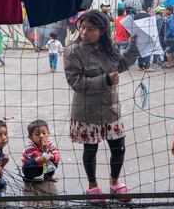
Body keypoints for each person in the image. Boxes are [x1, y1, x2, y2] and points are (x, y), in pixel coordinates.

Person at [64, 10, 139, 202]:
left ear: (102, 31)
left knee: (119, 148)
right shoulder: (73, 51)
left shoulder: (109, 46)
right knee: (90, 150)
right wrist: (104, 79)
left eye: (90, 29)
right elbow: (76, 82)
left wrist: (133, 46)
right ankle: (93, 186)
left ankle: (115, 183)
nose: (84, 33)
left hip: (110, 109)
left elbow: (120, 64)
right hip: (87, 112)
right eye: (82, 28)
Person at [22, 120, 60, 188]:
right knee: (29, 164)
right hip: (33, 168)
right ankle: (28, 180)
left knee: (54, 161)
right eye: (37, 134)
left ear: (48, 133)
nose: (41, 136)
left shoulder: (51, 145)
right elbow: (39, 161)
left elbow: (57, 158)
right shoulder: (29, 148)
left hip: (45, 167)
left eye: (44, 133)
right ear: (30, 137)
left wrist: (51, 156)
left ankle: (48, 176)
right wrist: (44, 150)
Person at [134, 6, 154, 72]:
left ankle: (140, 66)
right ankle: (147, 66)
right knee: (147, 51)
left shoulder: (136, 16)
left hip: (138, 36)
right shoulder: (148, 15)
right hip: (146, 36)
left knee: (140, 51)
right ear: (147, 8)